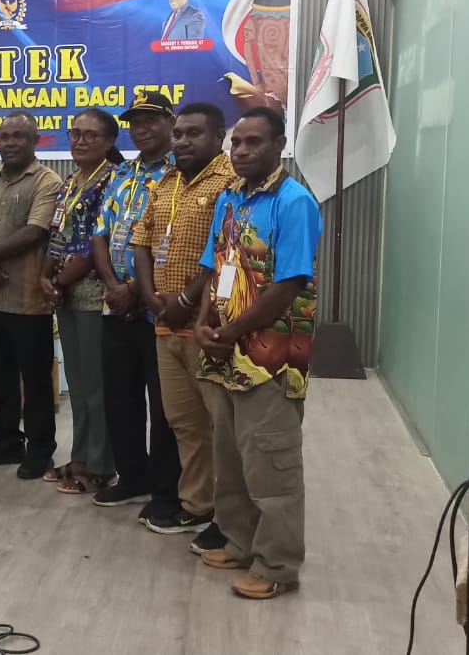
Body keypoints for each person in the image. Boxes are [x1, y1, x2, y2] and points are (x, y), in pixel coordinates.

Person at [184, 107, 321, 600]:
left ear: (279, 145)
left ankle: (278, 564)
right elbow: (213, 266)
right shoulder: (230, 198)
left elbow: (287, 286)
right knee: (231, 458)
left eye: (253, 142)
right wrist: (202, 322)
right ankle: (240, 541)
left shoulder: (294, 201)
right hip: (225, 355)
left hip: (271, 358)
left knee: (271, 465)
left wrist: (230, 330)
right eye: (236, 143)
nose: (241, 151)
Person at [132, 102, 235, 551]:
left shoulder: (230, 183)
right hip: (163, 323)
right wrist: (151, 296)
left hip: (207, 325)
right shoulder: (167, 181)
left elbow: (226, 252)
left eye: (195, 134)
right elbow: (141, 240)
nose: (183, 142)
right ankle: (198, 505)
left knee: (221, 425)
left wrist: (187, 301)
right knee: (184, 423)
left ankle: (231, 516)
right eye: (179, 134)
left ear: (218, 136)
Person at [90, 90, 184, 526]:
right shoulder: (121, 174)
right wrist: (114, 286)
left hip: (159, 308)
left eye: (150, 120)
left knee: (164, 406)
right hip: (116, 306)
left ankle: (168, 490)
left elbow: (178, 243)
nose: (141, 129)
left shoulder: (182, 175)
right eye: (134, 122)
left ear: (170, 123)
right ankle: (132, 477)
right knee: (120, 397)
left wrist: (135, 290)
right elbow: (100, 233)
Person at [0, 112, 63, 478]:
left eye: (20, 136)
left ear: (36, 140)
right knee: (0, 376)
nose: (11, 142)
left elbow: (36, 231)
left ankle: (40, 450)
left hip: (27, 300)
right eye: (6, 136)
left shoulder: (47, 181)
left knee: (35, 381)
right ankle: (6, 441)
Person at [37, 109, 117, 494]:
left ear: (109, 141)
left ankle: (101, 466)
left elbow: (95, 243)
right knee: (80, 386)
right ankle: (80, 455)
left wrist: (59, 281)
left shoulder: (113, 181)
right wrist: (45, 277)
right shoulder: (71, 181)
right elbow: (56, 236)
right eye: (75, 134)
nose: (81, 141)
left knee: (98, 385)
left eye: (90, 135)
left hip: (95, 295)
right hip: (66, 294)